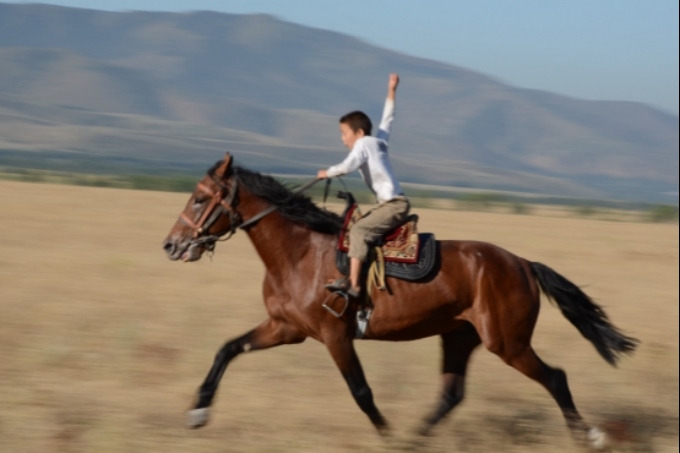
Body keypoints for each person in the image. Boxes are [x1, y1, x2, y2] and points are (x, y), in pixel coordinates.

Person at [317, 73, 410, 298]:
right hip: (393, 204)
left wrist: (326, 173)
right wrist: (391, 90)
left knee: (358, 231)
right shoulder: (378, 143)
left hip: (392, 205)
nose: (343, 139)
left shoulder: (363, 144)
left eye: (344, 133)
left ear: (358, 133)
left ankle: (355, 285)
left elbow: (349, 166)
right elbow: (388, 119)